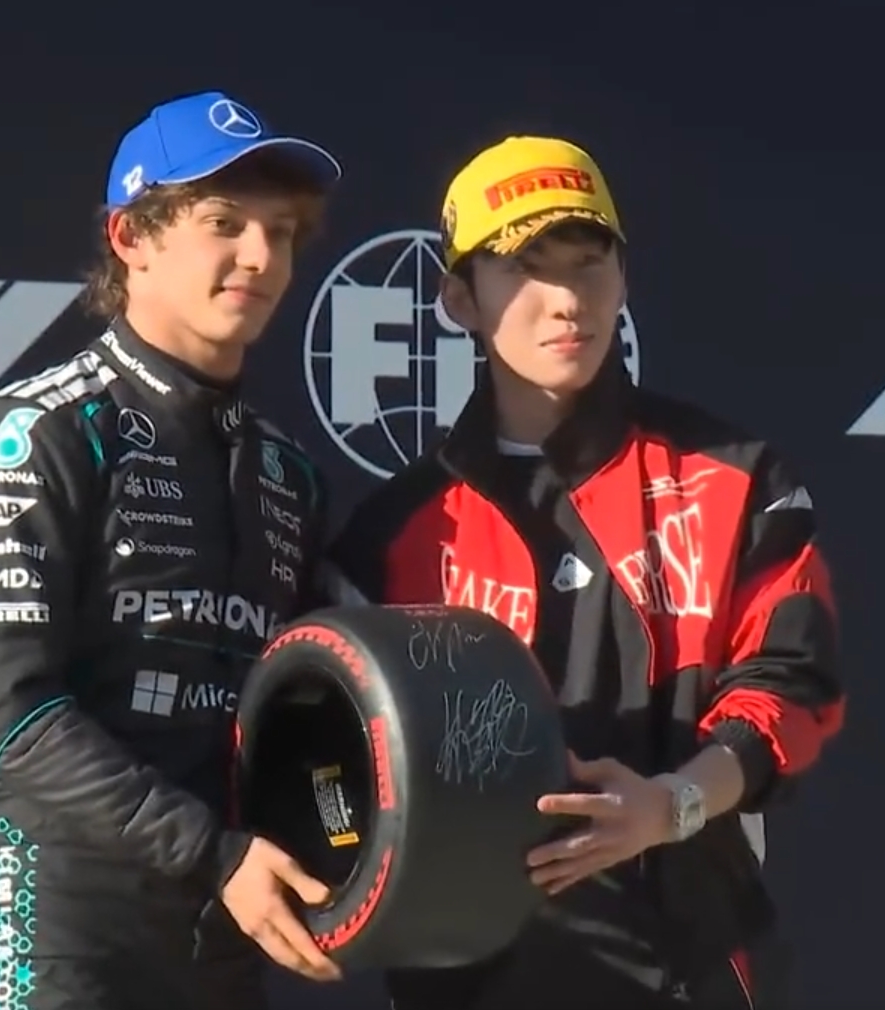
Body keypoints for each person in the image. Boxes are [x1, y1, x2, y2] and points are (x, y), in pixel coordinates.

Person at [325, 136, 846, 1009]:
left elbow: (793, 688)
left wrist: (672, 805)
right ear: (459, 298)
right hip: (470, 977)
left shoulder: (733, 477)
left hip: (693, 960)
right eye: (525, 269)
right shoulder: (392, 534)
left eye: (587, 263)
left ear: (624, 277)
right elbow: (333, 762)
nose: (566, 299)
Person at [0, 90, 344, 1010]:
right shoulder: (39, 434)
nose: (260, 256)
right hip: (60, 936)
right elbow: (7, 717)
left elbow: (313, 714)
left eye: (279, 232)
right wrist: (212, 854)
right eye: (223, 224)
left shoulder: (289, 475)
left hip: (221, 945)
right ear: (131, 238)